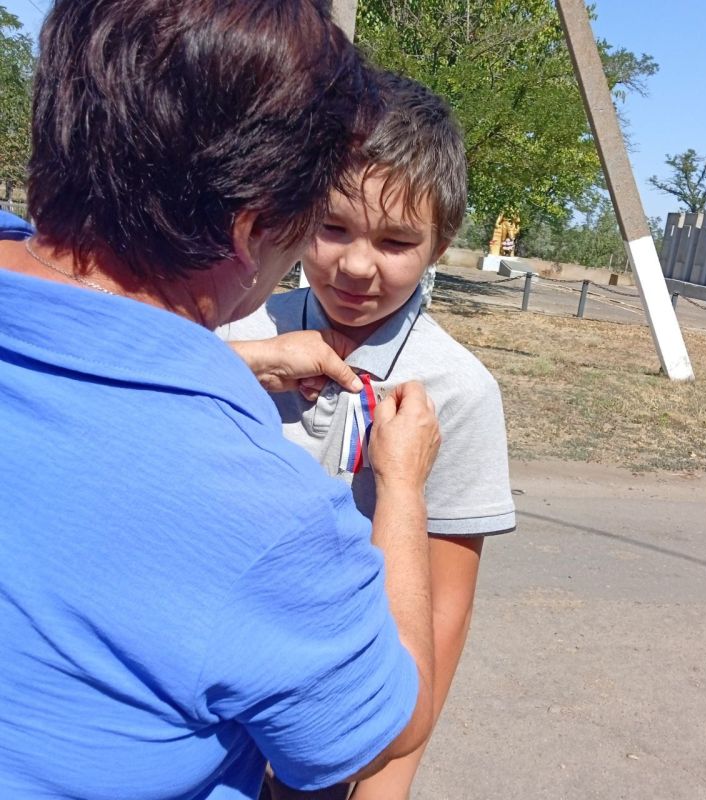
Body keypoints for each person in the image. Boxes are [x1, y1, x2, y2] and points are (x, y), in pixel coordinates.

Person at [0, 2, 441, 798]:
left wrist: (240, 360)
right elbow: (386, 726)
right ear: (254, 227)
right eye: (320, 222)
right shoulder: (261, 513)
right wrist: (403, 489)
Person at [224, 73, 516, 800]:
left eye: (396, 241)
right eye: (332, 227)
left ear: (441, 243)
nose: (357, 266)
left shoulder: (458, 392)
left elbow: (442, 609)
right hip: (211, 701)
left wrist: (389, 779)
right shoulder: (234, 327)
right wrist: (240, 364)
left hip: (333, 730)